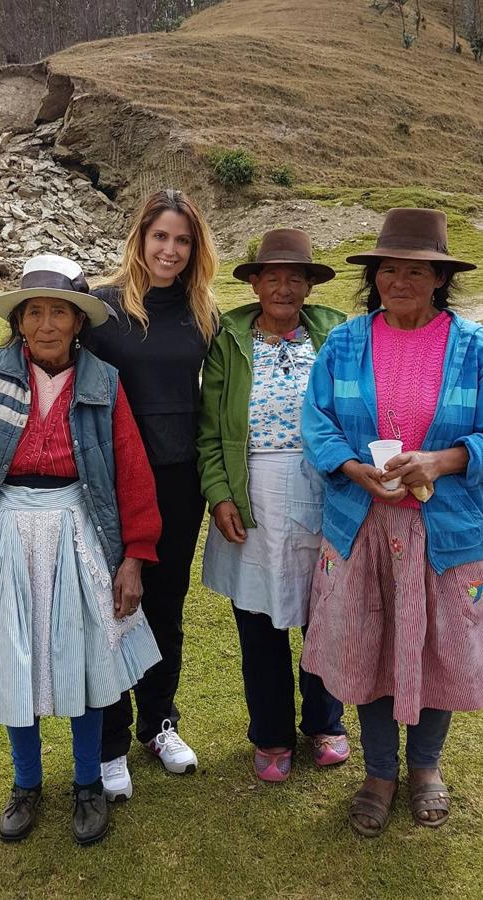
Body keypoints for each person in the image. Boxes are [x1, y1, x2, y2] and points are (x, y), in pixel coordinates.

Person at [0, 189, 219, 801]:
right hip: (104, 481)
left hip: (175, 482)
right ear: (141, 239)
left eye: (182, 240)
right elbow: (36, 348)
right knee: (106, 610)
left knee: (165, 605)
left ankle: (160, 722)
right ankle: (110, 744)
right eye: (160, 237)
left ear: (193, 247)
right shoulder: (102, 307)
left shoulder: (203, 314)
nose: (170, 250)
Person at [0, 254, 162, 844]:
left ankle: (87, 783)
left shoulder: (103, 384)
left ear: (79, 323)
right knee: (14, 660)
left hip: (77, 531)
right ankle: (26, 783)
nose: (47, 324)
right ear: (21, 321)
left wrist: (134, 555)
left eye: (60, 312)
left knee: (81, 663)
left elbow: (131, 471)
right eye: (36, 312)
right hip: (5, 534)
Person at [300, 207, 482, 835]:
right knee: (369, 647)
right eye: (388, 269)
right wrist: (353, 468)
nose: (399, 280)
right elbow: (316, 421)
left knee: (438, 648)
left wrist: (444, 458)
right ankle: (379, 770)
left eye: (416, 270)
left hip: (446, 532)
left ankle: (426, 766)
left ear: (439, 279)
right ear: (373, 275)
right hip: (362, 524)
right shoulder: (346, 342)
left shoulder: (473, 348)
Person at [197, 229, 350, 782]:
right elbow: (211, 429)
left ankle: (326, 723)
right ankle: (270, 734)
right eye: (273, 276)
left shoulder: (335, 331)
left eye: (296, 277)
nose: (284, 287)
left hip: (325, 485)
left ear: (309, 286)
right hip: (252, 487)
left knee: (324, 611)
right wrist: (219, 494)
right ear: (256, 283)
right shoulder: (231, 338)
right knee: (259, 619)